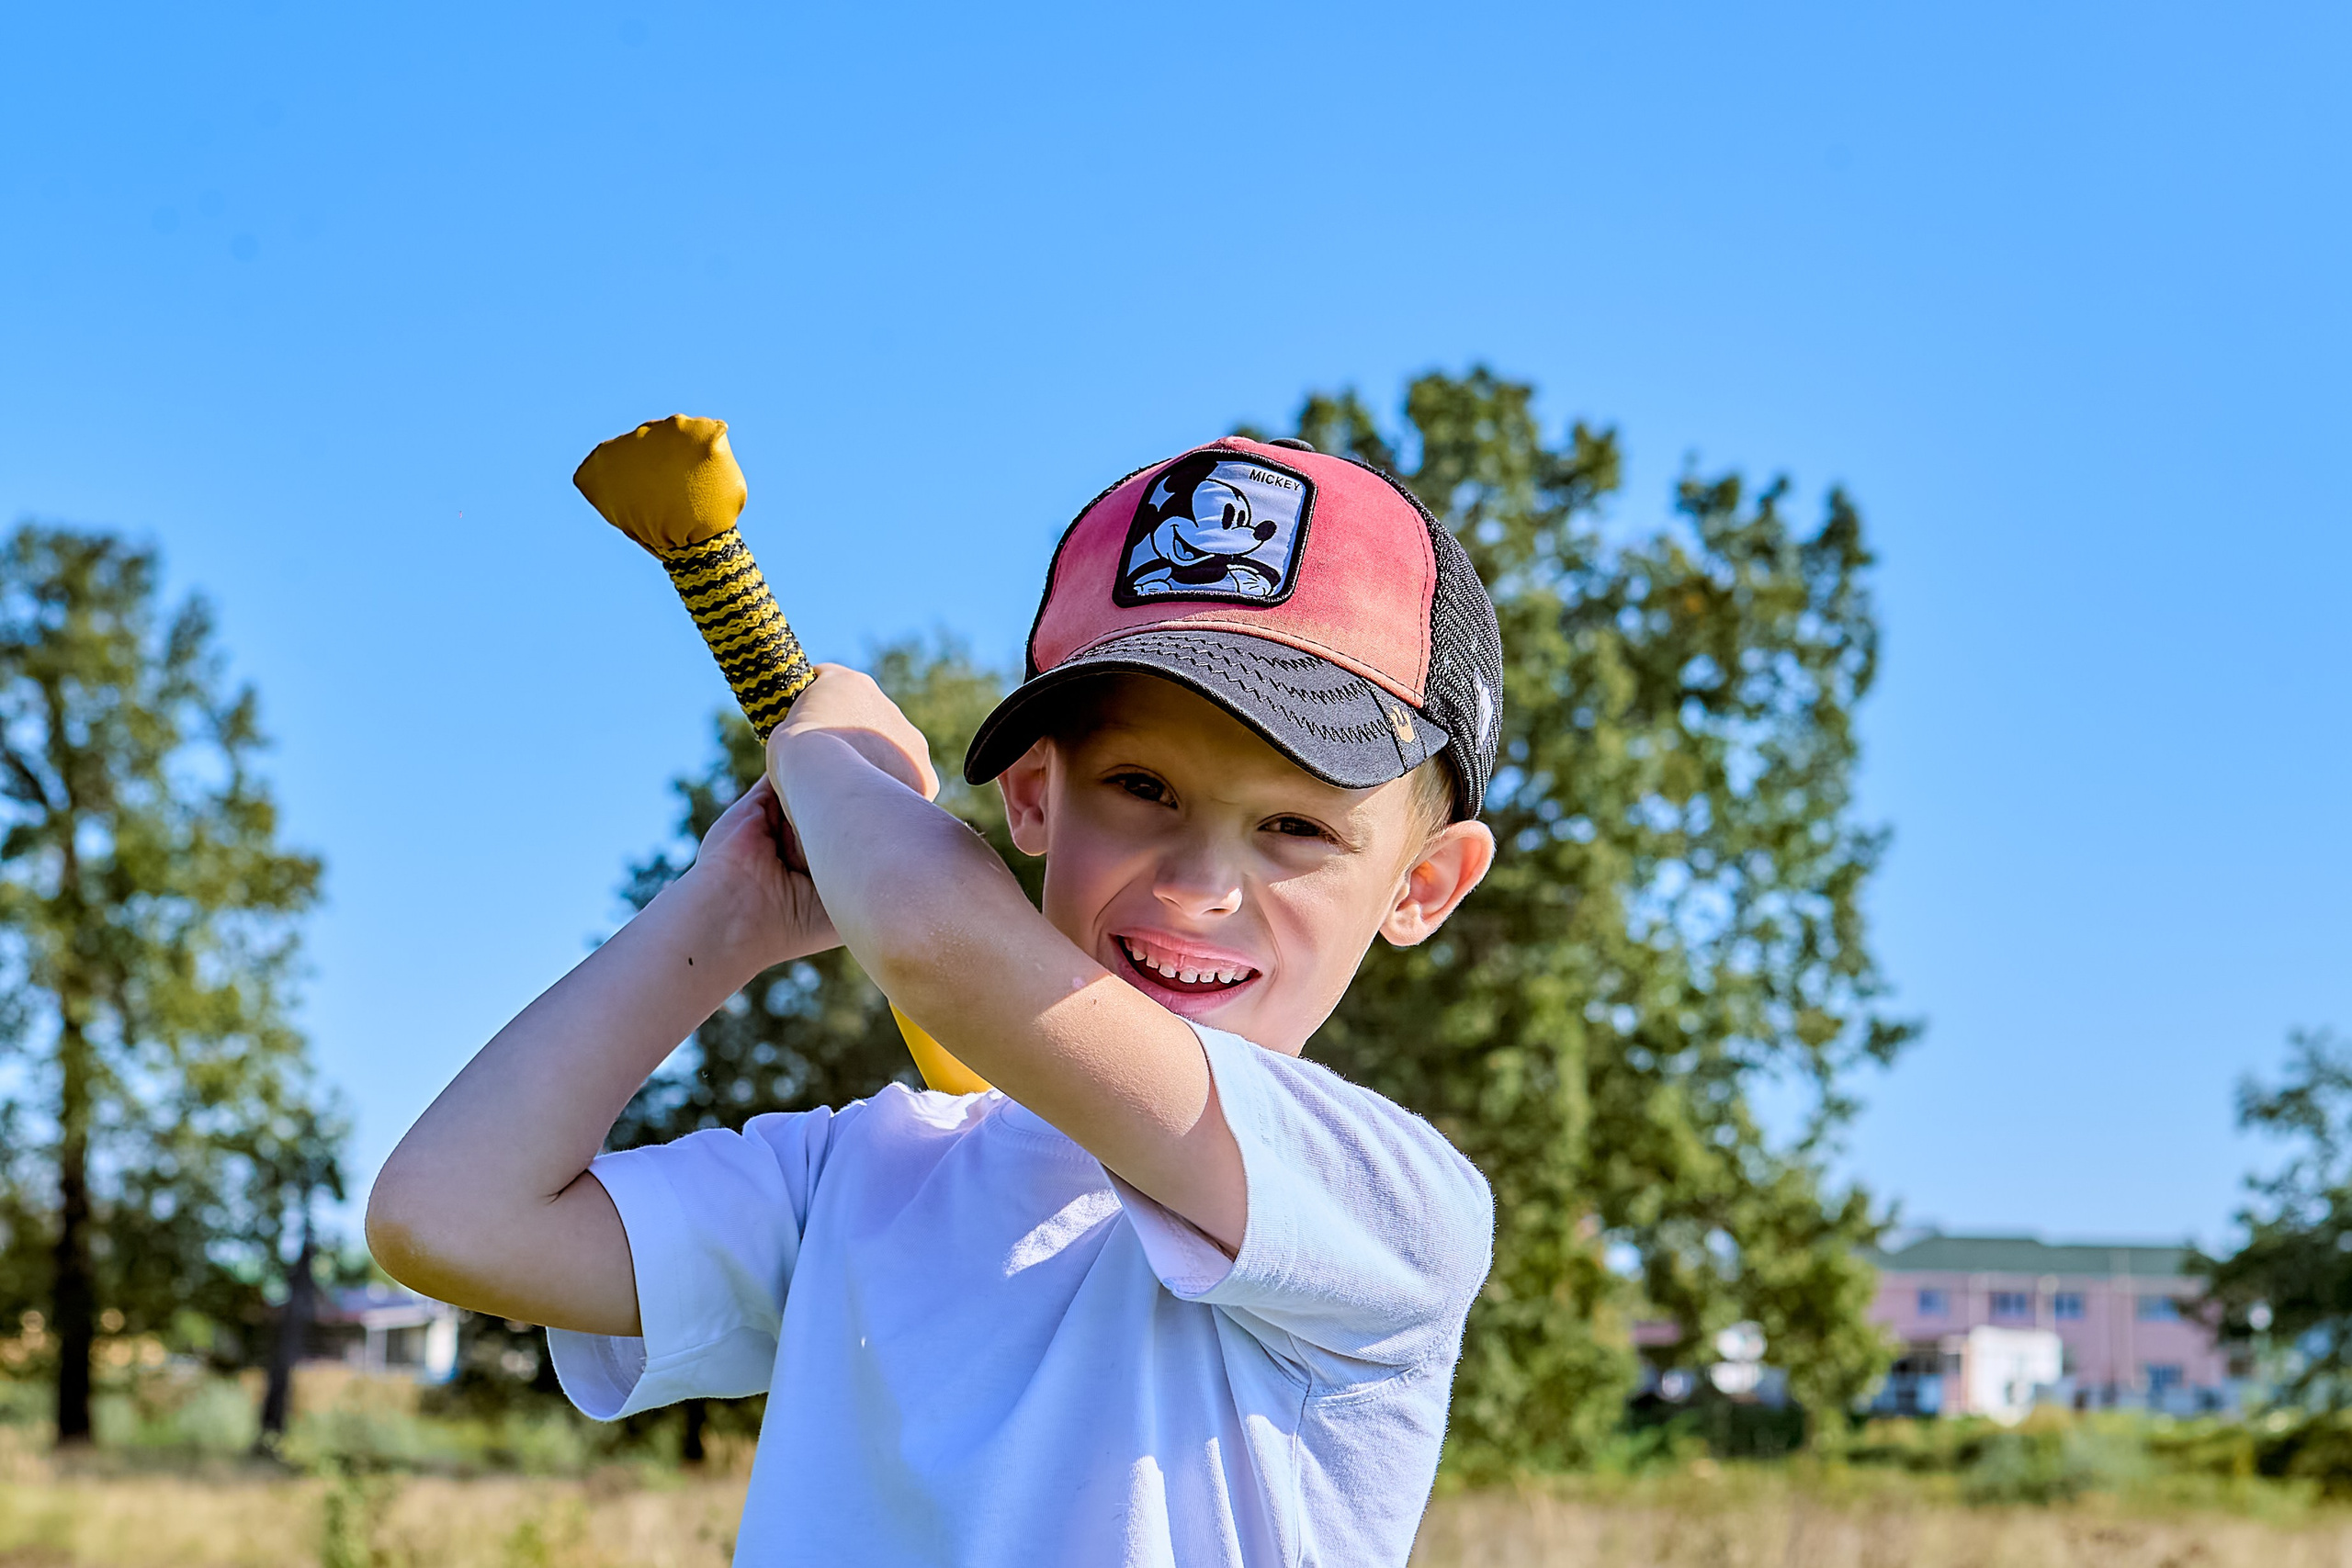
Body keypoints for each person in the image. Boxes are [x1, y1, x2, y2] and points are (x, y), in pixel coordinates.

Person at [368, 436, 1505, 1566]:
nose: (1198, 887)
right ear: (1030, 796)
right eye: (1141, 788)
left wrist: (821, 753)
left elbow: (932, 943)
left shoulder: (1387, 1209)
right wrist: (727, 913)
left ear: (1422, 885)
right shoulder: (861, 1179)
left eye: (1295, 826)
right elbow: (445, 1218)